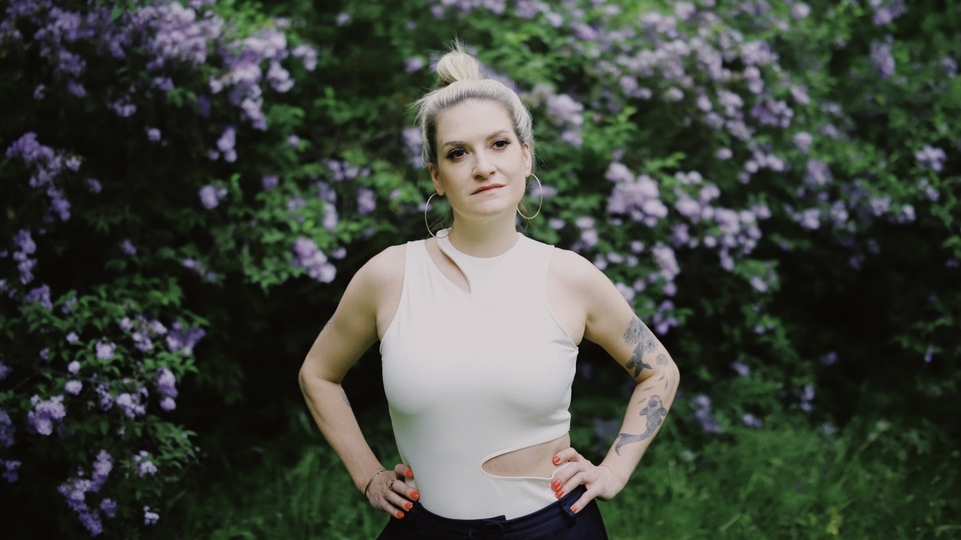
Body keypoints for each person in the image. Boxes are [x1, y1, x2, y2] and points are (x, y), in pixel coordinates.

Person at [299, 44, 680, 539]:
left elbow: (659, 372)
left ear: (526, 156)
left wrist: (613, 470)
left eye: (499, 144)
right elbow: (318, 374)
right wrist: (368, 475)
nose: (482, 166)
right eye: (458, 153)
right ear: (437, 176)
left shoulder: (571, 278)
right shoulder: (389, 276)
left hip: (554, 530)